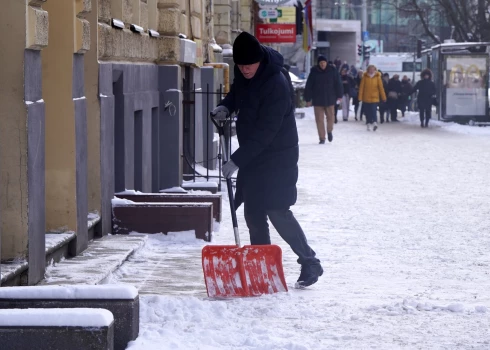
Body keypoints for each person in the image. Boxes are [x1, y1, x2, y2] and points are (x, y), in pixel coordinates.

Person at [211, 32, 323, 287]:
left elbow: (266, 133)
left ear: (260, 60)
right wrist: (226, 106)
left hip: (277, 156)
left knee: (277, 210)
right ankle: (262, 267)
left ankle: (310, 262)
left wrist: (236, 160)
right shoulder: (245, 74)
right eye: (240, 65)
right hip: (254, 154)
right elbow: (239, 92)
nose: (245, 69)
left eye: (249, 65)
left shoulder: (276, 84)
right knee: (253, 212)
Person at [304, 55, 343, 143]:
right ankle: (322, 138)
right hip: (318, 99)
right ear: (318, 64)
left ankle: (329, 131)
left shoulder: (332, 71)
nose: (322, 64)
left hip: (330, 98)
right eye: (321, 63)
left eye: (324, 63)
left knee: (331, 117)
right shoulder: (314, 72)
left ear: (326, 63)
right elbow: (309, 86)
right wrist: (308, 99)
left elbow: (338, 83)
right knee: (319, 120)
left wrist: (339, 95)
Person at [358, 65, 386, 131]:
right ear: (368, 70)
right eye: (370, 69)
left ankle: (375, 123)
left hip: (374, 98)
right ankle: (368, 124)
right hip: (366, 98)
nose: (371, 71)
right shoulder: (364, 77)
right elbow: (361, 88)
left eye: (373, 69)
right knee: (367, 112)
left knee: (374, 111)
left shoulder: (377, 77)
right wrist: (360, 97)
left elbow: (381, 88)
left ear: (375, 70)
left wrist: (383, 97)